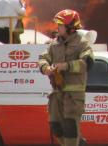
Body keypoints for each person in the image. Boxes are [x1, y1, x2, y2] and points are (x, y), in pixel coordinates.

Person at [39, 9, 94, 146]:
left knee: (70, 127)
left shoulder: (82, 43)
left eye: (60, 25)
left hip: (73, 96)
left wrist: (67, 66)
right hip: (57, 93)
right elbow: (43, 58)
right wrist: (45, 68)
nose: (57, 28)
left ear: (70, 27)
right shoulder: (54, 44)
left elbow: (87, 63)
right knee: (56, 127)